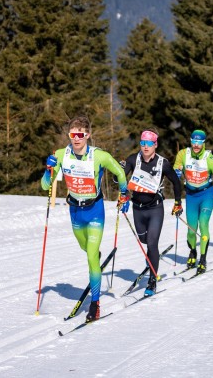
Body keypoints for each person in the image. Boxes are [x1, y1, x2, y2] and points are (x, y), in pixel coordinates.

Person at [41, 116, 127, 323]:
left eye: (80, 134)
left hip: (95, 210)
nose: (76, 138)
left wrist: (124, 194)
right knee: (85, 247)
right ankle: (94, 254)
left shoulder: (100, 156)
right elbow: (46, 186)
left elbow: (120, 172)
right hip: (75, 211)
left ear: (87, 135)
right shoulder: (62, 154)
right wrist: (48, 169)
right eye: (73, 134)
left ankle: (95, 304)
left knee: (90, 257)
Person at [121, 130, 182, 295]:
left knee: (152, 242)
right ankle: (151, 257)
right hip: (137, 208)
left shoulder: (163, 163)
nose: (145, 147)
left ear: (155, 145)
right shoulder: (133, 159)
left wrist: (177, 202)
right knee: (143, 239)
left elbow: (176, 183)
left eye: (149, 143)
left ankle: (152, 281)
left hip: (155, 208)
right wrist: (119, 175)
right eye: (143, 143)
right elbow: (119, 179)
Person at [172, 129, 213, 274]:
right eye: (194, 141)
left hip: (206, 195)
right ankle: (193, 252)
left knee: (203, 223)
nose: (196, 145)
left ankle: (203, 259)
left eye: (199, 142)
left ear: (204, 143)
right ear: (190, 141)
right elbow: (174, 169)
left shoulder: (210, 158)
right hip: (191, 196)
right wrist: (176, 172)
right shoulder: (183, 154)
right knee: (191, 230)